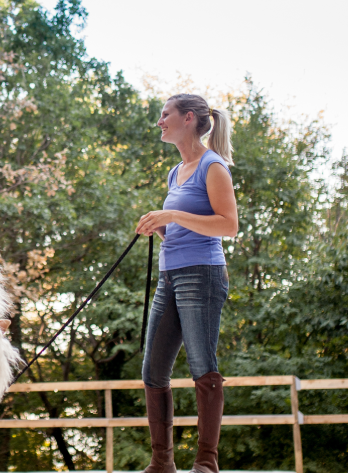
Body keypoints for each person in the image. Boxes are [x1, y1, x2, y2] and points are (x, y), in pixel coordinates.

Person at [135, 93, 238, 473]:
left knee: (201, 365)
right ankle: (162, 461)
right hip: (170, 275)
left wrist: (174, 213)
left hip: (203, 275)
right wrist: (161, 226)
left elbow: (228, 225)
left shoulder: (214, 167)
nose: (160, 122)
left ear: (188, 118)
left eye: (165, 115)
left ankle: (206, 463)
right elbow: (183, 226)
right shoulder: (175, 172)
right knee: (153, 370)